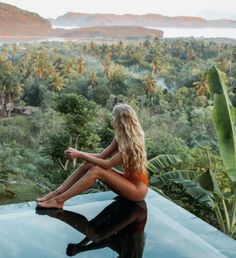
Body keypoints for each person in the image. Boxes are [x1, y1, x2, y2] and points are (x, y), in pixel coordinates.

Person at [37, 103, 149, 209]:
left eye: (113, 117)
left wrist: (80, 154)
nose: (112, 120)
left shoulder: (132, 144)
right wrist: (78, 153)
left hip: (137, 191)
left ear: (120, 121)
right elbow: (102, 156)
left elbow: (108, 164)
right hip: (128, 181)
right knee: (89, 164)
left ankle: (59, 201)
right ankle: (55, 193)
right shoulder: (120, 137)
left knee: (96, 170)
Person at [36, 197, 147, 258]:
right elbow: (104, 240)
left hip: (132, 204)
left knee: (94, 225)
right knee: (97, 234)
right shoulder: (129, 253)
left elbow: (106, 240)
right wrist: (81, 248)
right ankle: (59, 214)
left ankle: (59, 212)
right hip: (135, 209)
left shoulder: (129, 247)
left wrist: (80, 246)